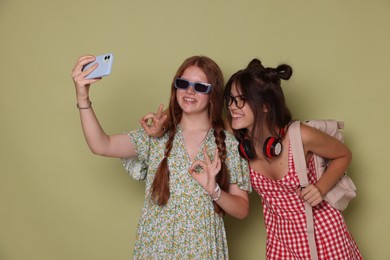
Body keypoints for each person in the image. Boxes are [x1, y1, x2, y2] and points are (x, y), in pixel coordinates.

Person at [71, 55, 251, 259]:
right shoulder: (154, 135)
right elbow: (101, 145)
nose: (190, 91)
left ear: (213, 93)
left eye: (200, 86)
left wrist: (214, 190)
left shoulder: (228, 143)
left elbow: (242, 209)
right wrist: (82, 98)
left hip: (203, 250)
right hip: (156, 247)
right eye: (183, 84)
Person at [223, 58, 362, 259]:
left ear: (265, 106)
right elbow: (200, 118)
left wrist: (320, 188)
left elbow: (344, 154)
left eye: (241, 99)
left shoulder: (300, 135)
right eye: (230, 98)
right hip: (281, 243)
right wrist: (165, 123)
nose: (232, 106)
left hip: (324, 237)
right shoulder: (237, 135)